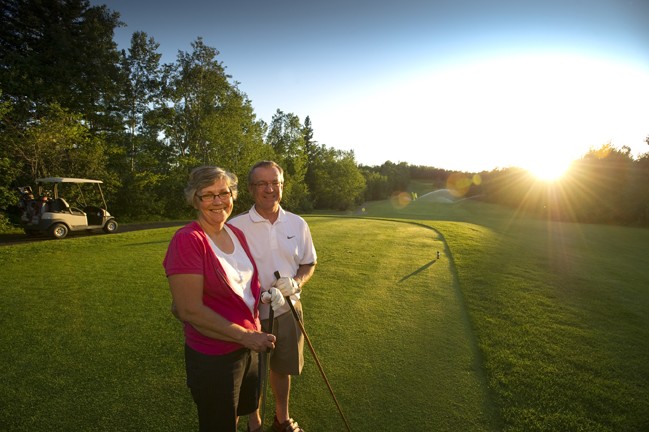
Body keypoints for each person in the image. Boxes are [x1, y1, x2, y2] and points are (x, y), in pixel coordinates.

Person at [163, 165, 286, 432]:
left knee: (241, 411)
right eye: (208, 195)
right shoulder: (188, 240)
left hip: (248, 347)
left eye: (224, 193)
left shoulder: (235, 233)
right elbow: (189, 310)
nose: (218, 201)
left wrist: (264, 296)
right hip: (215, 355)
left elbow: (241, 285)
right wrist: (246, 335)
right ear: (194, 200)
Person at [230, 161, 317, 432]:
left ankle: (282, 420)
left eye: (275, 183)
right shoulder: (235, 226)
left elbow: (308, 262)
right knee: (250, 371)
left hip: (287, 309)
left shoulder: (297, 223)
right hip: (249, 315)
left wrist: (295, 281)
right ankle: (253, 423)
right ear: (250, 189)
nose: (269, 189)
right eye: (261, 184)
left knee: (281, 367)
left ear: (282, 186)